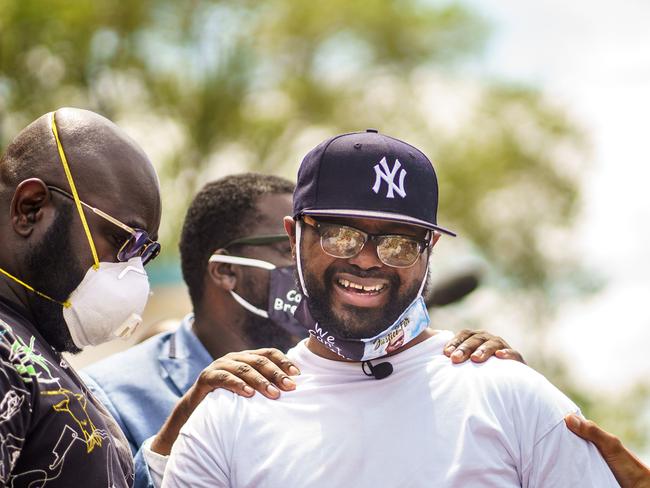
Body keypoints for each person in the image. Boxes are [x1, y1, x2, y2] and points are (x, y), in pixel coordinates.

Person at [162, 129, 619, 487]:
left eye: (399, 242)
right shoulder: (231, 414)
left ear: (430, 248)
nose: (366, 258)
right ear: (294, 234)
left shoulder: (513, 396)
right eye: (340, 234)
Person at [82, 173, 521, 487]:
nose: (315, 264)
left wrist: (488, 387)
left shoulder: (342, 372)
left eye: (318, 242)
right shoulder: (108, 396)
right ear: (226, 272)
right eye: (286, 248)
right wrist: (178, 429)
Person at [0, 108, 161, 487]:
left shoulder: (30, 340)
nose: (133, 273)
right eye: (125, 242)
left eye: (145, 254)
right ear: (31, 208)